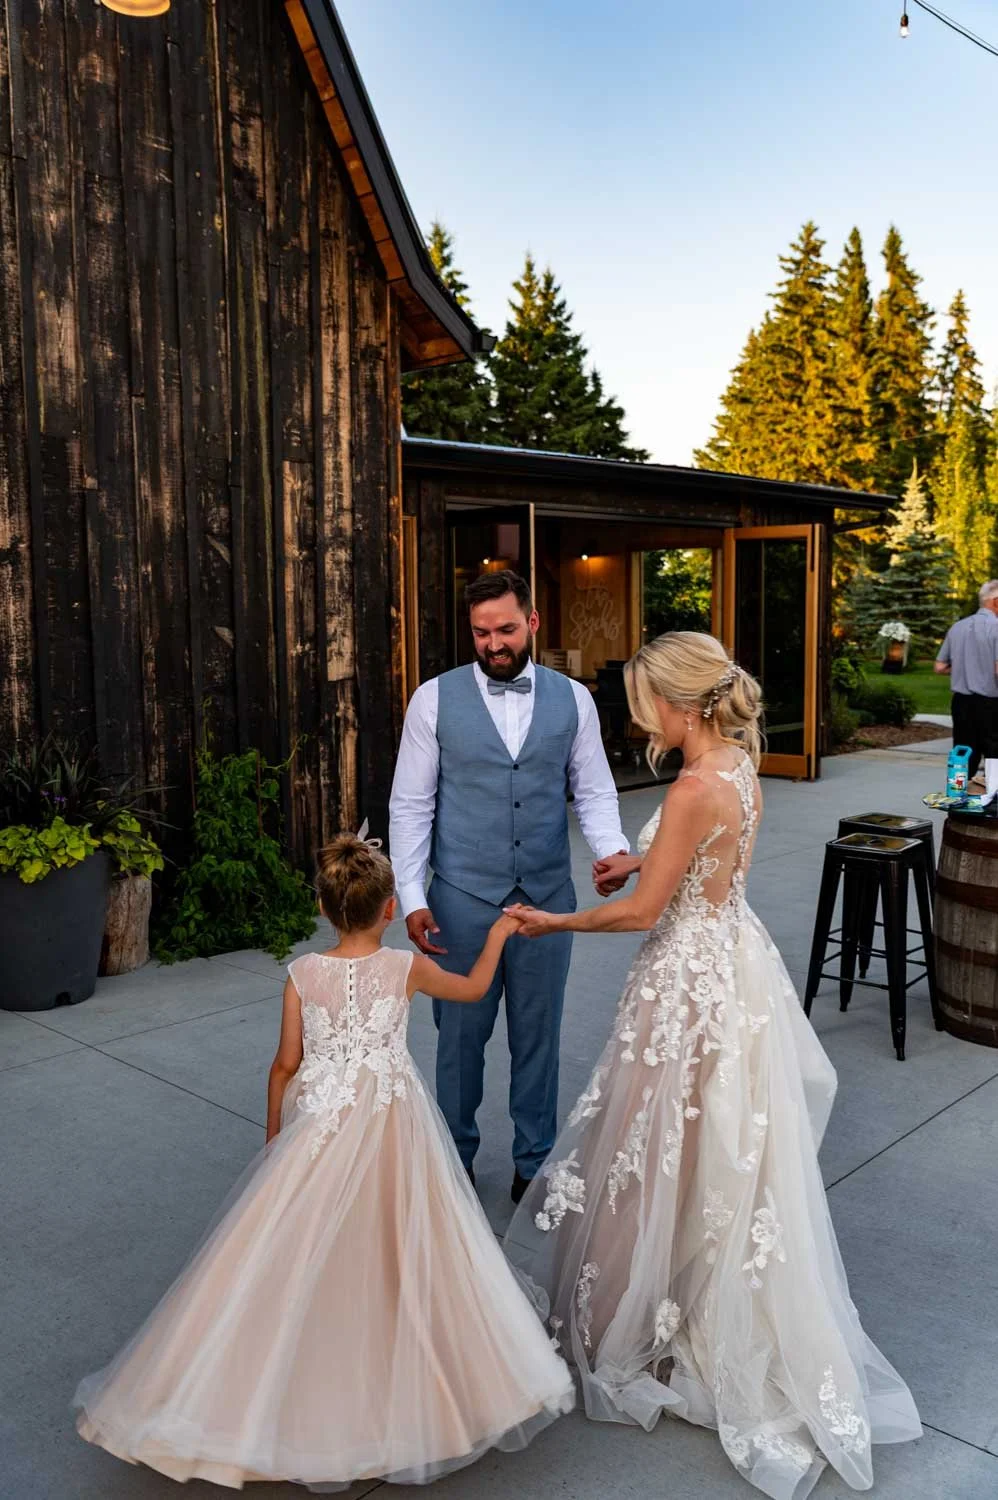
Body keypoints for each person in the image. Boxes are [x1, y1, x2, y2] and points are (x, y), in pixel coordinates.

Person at [502, 633, 921, 1499]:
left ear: (680, 705)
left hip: (686, 986)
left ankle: (624, 1320)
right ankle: (677, 1295)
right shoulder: (735, 764)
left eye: (643, 701)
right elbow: (700, 868)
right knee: (697, 1146)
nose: (636, 717)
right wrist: (635, 861)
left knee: (646, 1148)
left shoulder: (693, 784)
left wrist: (557, 920)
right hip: (732, 960)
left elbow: (642, 913)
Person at [74, 836, 573, 1489]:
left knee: (294, 1249)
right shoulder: (405, 967)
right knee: (399, 1241)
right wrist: (503, 931)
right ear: (391, 908)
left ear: (322, 905)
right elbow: (476, 987)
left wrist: (276, 1138)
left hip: (322, 1126)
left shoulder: (302, 974)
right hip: (395, 1125)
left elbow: (284, 1066)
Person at [389, 569, 627, 1202]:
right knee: (459, 1041)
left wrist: (612, 851)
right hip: (462, 900)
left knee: (538, 1036)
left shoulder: (574, 699)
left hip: (547, 899)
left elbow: (595, 790)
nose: (493, 644)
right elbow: (410, 805)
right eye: (481, 633)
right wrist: (412, 897)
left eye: (505, 630)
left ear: (533, 623)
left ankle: (534, 1162)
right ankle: (454, 1160)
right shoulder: (432, 700)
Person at [935, 579, 998, 783]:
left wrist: (966, 666)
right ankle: (992, 807)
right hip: (991, 704)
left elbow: (940, 667)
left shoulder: (957, 627)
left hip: (961, 703)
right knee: (994, 757)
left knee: (962, 754)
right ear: (996, 602)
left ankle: (956, 805)